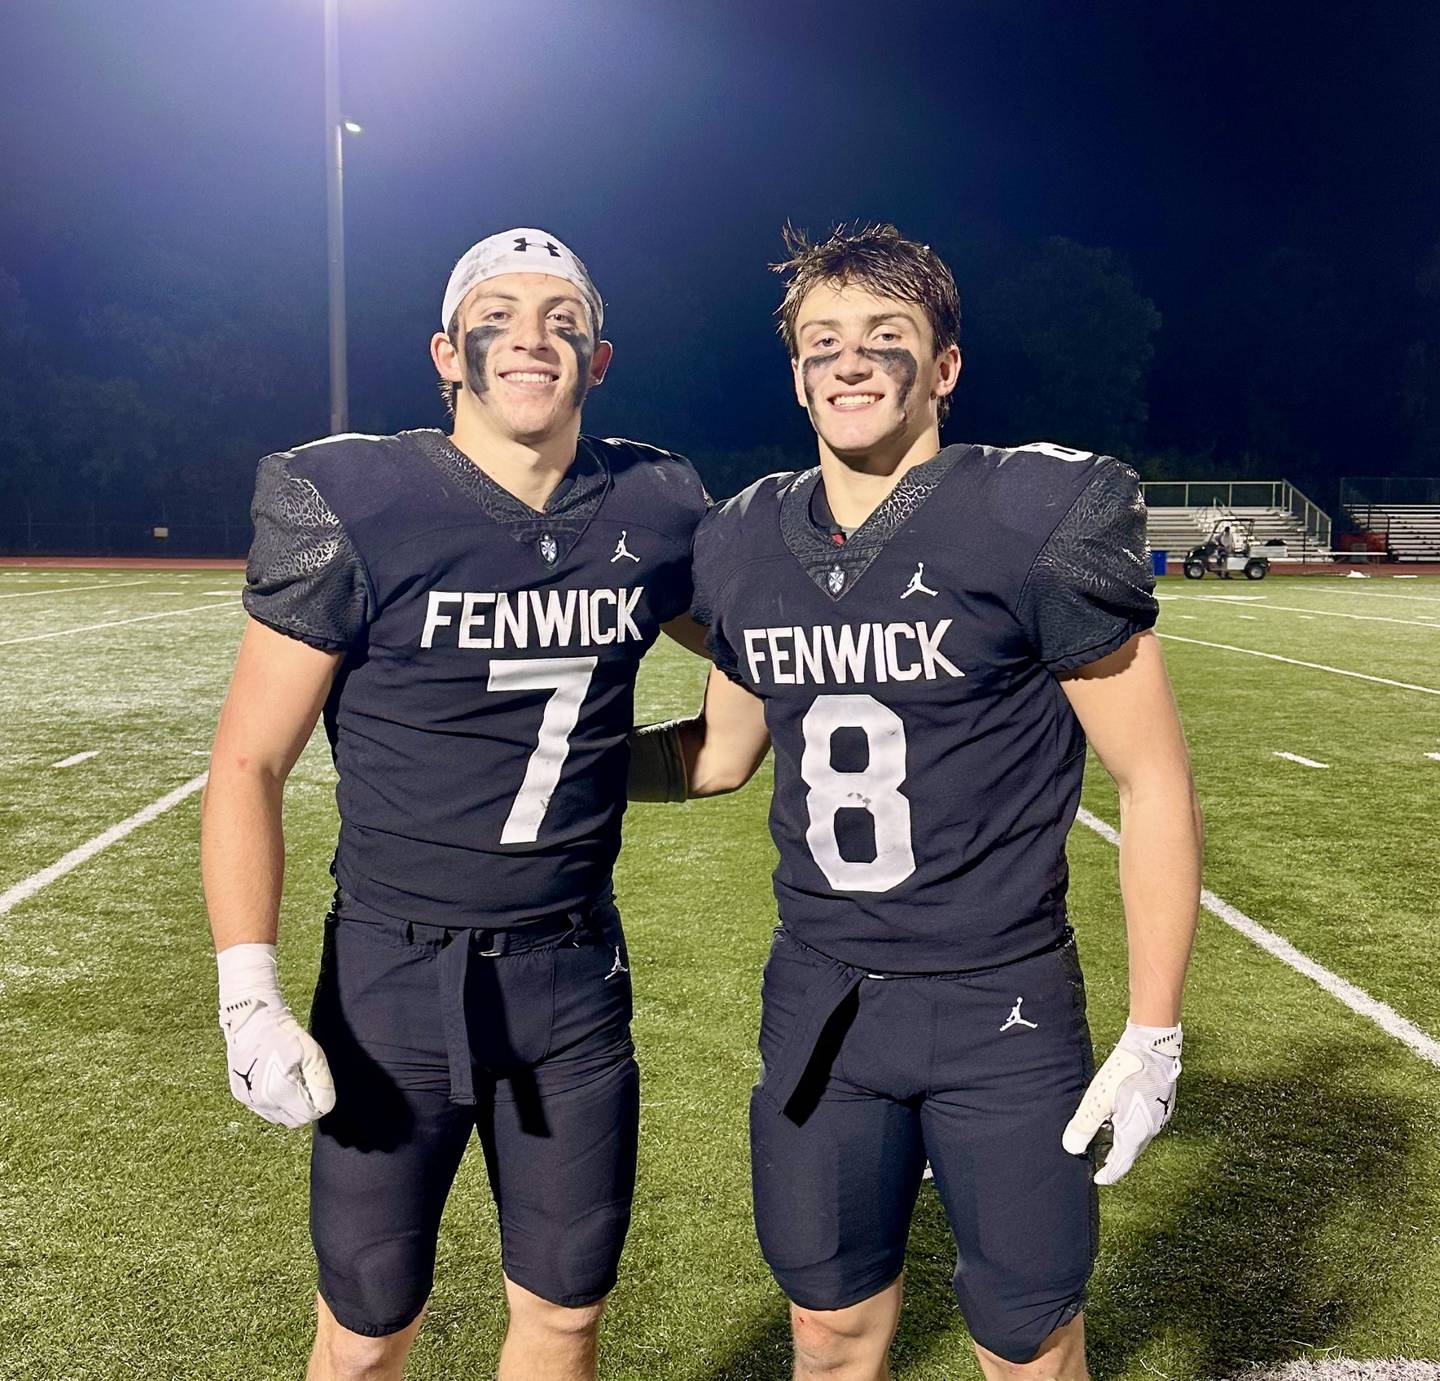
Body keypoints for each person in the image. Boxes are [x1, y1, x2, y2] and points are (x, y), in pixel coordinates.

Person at [634, 225, 1202, 1381]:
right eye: (824, 341)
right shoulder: (744, 539)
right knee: (830, 1332)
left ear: (944, 366)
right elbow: (721, 752)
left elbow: (1153, 781)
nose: (850, 363)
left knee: (1026, 1341)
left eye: (885, 338)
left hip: (1001, 1001)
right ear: (797, 372)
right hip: (823, 1000)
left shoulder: (1030, 515)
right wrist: (557, 766)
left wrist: (1156, 1032)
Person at [201, 228, 709, 1381]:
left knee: (567, 1314)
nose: (532, 333)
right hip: (392, 979)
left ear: (599, 352)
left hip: (572, 978)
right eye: (499, 312)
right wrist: (247, 995)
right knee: (369, 1327)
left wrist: (706, 754)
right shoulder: (355, 499)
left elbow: (765, 646)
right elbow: (248, 764)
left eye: (561, 314)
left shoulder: (655, 505)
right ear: (447, 351)